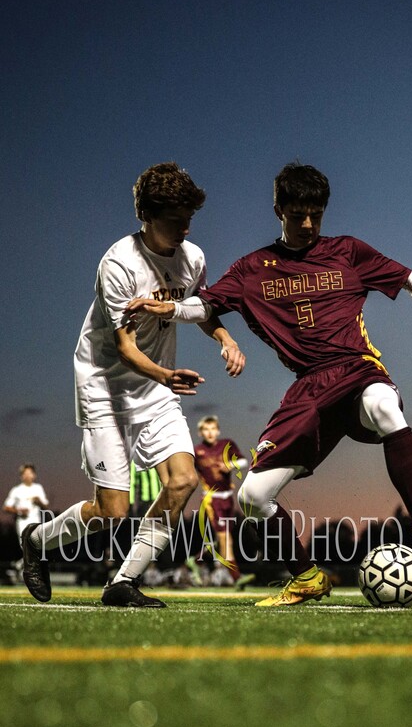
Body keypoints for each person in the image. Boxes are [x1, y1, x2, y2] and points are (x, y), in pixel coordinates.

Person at [126, 162, 412, 607]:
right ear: (278, 209)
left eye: (315, 215)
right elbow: (206, 305)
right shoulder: (252, 269)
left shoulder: (347, 251)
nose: (307, 224)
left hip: (357, 370)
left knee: (383, 404)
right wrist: (171, 311)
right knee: (253, 496)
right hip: (310, 389)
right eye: (297, 214)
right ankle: (306, 577)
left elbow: (407, 275)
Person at [21, 162, 245, 608]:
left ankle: (122, 583)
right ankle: (37, 541)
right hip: (105, 384)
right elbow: (125, 348)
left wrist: (224, 336)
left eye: (189, 218)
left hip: (156, 386)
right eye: (176, 218)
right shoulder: (119, 263)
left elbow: (199, 307)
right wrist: (167, 375)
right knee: (112, 512)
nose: (186, 227)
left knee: (183, 481)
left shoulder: (193, 257)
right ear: (147, 215)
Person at [190, 415, 255, 589]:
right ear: (200, 432)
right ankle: (236, 576)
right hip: (212, 499)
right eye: (206, 429)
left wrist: (231, 465)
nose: (210, 432)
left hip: (228, 497)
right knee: (225, 538)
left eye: (212, 429)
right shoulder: (197, 451)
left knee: (224, 538)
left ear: (217, 430)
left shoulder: (227, 444)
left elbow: (243, 460)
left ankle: (196, 560)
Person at [3, 463, 49, 542]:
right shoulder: (16, 490)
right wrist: (19, 511)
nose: (27, 475)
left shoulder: (38, 488)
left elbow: (45, 506)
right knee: (25, 546)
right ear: (21, 476)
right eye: (25, 473)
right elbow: (6, 507)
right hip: (22, 523)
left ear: (34, 475)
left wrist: (39, 502)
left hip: (36, 522)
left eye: (30, 473)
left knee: (37, 545)